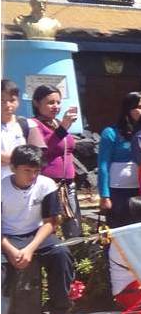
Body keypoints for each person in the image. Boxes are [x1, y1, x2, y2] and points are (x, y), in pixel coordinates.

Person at [2, 145, 75, 314]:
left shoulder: (47, 185)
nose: (32, 176)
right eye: (27, 170)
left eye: (36, 171)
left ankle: (59, 313)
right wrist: (11, 250)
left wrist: (29, 249)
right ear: (13, 168)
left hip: (37, 234)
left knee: (61, 254)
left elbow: (51, 222)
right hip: (7, 237)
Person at [26, 84, 81, 239]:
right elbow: (42, 149)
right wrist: (63, 128)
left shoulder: (57, 123)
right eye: (50, 102)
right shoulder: (33, 124)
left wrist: (62, 127)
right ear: (37, 103)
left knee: (73, 228)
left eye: (58, 102)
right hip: (48, 186)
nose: (55, 106)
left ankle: (74, 259)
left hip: (67, 184)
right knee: (49, 227)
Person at [97, 92, 141, 228]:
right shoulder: (111, 133)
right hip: (119, 192)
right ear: (128, 109)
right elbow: (103, 165)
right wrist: (104, 195)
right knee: (119, 229)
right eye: (139, 107)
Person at [1, 79, 29, 182]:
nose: (8, 105)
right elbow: (20, 158)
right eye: (2, 100)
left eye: (12, 100)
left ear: (18, 101)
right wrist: (16, 160)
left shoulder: (24, 124)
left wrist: (6, 159)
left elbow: (31, 156)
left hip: (17, 185)